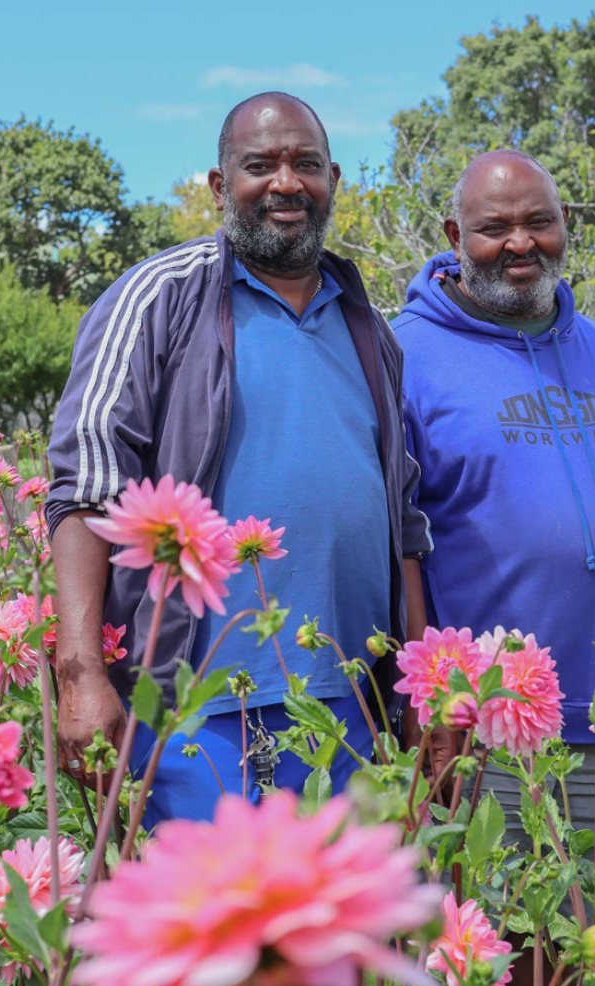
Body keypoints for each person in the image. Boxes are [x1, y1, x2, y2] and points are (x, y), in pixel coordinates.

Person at [45, 91, 432, 825]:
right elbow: (86, 487)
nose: (286, 182)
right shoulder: (159, 296)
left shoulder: (368, 325)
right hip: (192, 708)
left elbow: (403, 523)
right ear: (221, 185)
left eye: (306, 164)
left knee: (332, 900)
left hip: (347, 706)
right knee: (205, 899)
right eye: (260, 165)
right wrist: (80, 672)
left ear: (332, 180)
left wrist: (417, 688)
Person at [391, 150, 595, 986]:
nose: (519, 242)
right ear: (455, 234)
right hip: (490, 740)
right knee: (508, 969)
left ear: (564, 228)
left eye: (538, 222)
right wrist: (431, 714)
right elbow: (394, 543)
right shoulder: (403, 357)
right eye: (494, 227)